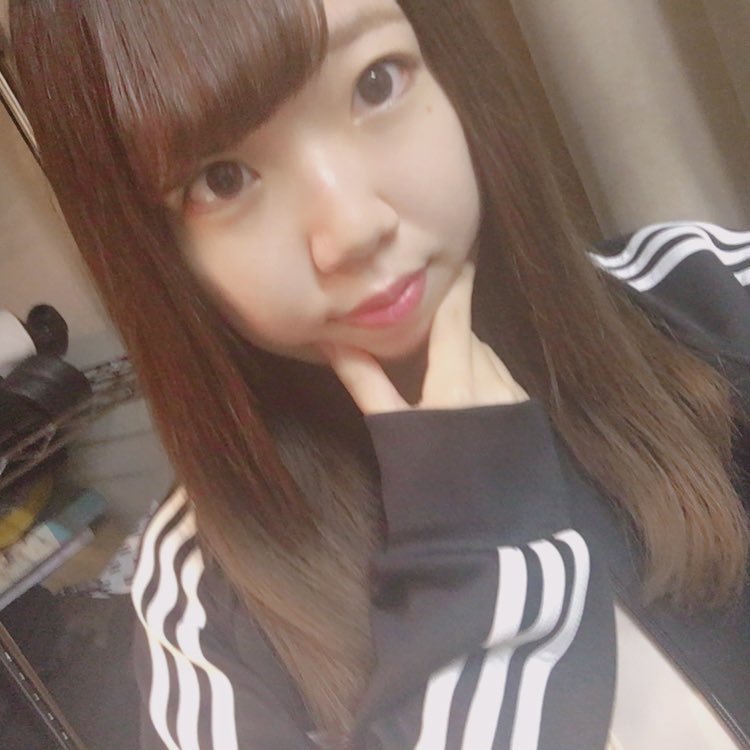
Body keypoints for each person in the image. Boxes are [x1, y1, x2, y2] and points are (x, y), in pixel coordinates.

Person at [8, 0, 750, 748]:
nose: (353, 229)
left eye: (376, 83)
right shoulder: (203, 607)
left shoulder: (709, 292)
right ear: (156, 251)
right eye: (223, 179)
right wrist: (478, 549)